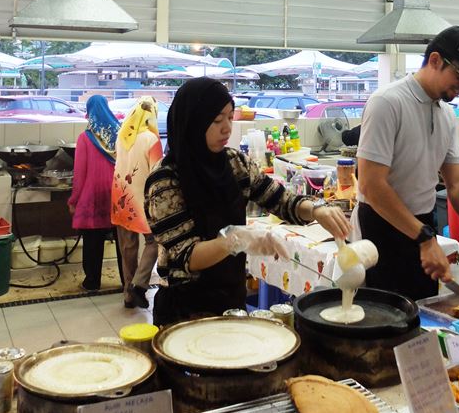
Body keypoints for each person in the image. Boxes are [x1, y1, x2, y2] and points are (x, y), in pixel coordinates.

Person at [144, 77, 350, 327]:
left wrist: (317, 209)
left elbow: (282, 200)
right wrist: (238, 239)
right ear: (193, 122)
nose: (227, 128)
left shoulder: (236, 164)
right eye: (217, 120)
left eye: (231, 118)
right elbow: (187, 257)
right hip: (184, 309)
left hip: (230, 299)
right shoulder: (165, 181)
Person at [356, 25, 459, 300]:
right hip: (382, 226)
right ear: (435, 60)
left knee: (423, 314)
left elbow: (458, 184)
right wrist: (424, 238)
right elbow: (371, 185)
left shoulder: (446, 114)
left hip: (423, 223)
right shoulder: (387, 102)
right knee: (384, 320)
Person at [112, 96, 163, 309]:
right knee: (154, 242)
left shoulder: (123, 137)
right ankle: (139, 284)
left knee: (128, 247)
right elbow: (157, 173)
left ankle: (128, 294)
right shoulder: (152, 140)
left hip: (120, 198)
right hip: (142, 200)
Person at [68, 94, 121, 292]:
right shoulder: (120, 135)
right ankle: (127, 281)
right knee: (124, 242)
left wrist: (74, 200)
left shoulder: (85, 137)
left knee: (93, 240)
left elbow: (79, 174)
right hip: (118, 195)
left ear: (90, 112)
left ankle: (92, 282)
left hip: (93, 196)